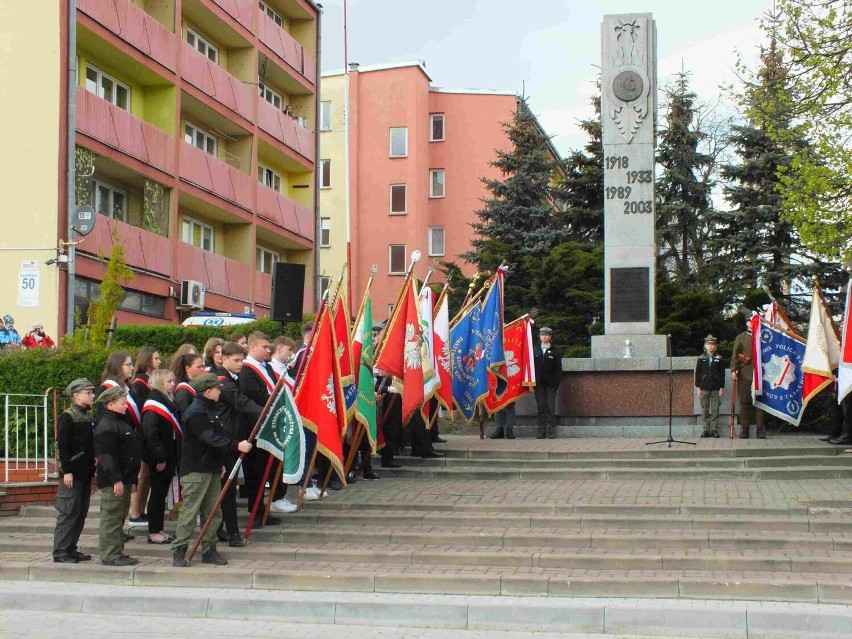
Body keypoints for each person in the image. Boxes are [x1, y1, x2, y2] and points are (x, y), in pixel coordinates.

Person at [171, 374, 252, 567]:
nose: (220, 391)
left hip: (211, 468)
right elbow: (209, 438)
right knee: (190, 512)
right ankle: (179, 549)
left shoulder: (210, 410)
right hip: (196, 470)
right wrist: (236, 446)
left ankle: (209, 549)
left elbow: (217, 437)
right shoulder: (196, 412)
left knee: (213, 512)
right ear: (208, 392)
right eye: (217, 388)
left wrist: (220, 462)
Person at [240, 331, 290, 517]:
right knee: (256, 471)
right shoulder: (247, 370)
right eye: (264, 347)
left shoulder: (266, 367)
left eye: (269, 347)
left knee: (265, 470)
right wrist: (275, 400)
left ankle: (263, 508)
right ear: (252, 347)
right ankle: (257, 510)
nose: (268, 350)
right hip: (256, 427)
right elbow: (255, 395)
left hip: (270, 423)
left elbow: (275, 387)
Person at [93, 384, 141, 566]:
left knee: (118, 517)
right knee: (111, 518)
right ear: (110, 405)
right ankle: (110, 554)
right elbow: (106, 457)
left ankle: (116, 551)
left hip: (125, 479)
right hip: (114, 481)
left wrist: (132, 479)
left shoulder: (119, 422)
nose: (125, 406)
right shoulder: (106, 426)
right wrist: (116, 480)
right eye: (122, 403)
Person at [52, 378, 96, 563]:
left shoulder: (87, 415)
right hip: (72, 473)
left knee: (80, 512)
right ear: (76, 395)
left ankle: (71, 548)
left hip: (84, 472)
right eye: (88, 392)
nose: (92, 395)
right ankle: (61, 551)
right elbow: (62, 446)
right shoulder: (68, 416)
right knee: (68, 512)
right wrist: (66, 471)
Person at [140, 369, 180, 545]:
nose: (173, 384)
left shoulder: (164, 400)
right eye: (170, 381)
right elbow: (150, 434)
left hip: (168, 455)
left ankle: (158, 528)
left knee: (161, 493)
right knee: (157, 495)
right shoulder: (153, 404)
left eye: (173, 381)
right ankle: (153, 531)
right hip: (159, 458)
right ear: (160, 382)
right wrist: (161, 458)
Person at [129, 346, 161, 526]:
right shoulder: (140, 383)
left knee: (147, 474)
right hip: (141, 435)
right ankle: (135, 512)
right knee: (142, 473)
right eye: (156, 359)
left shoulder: (149, 381)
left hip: (146, 434)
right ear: (147, 360)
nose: (159, 362)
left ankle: (141, 510)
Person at [731, 315, 766, 439]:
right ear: (746, 323)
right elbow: (735, 355)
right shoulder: (741, 337)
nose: (752, 322)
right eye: (750, 320)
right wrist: (734, 370)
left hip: (761, 374)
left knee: (760, 403)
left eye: (754, 320)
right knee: (745, 402)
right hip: (745, 373)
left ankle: (760, 430)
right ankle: (744, 429)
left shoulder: (764, 336)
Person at [533, 327, 561, 439]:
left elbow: (558, 370)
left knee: (550, 407)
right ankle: (541, 430)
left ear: (550, 336)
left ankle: (552, 430)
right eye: (542, 335)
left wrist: (555, 385)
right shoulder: (535, 350)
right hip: (538, 384)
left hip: (550, 385)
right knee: (541, 407)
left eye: (546, 335)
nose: (544, 336)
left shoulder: (555, 351)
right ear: (539, 336)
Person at [695, 334, 725, 438]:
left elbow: (722, 374)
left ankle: (713, 429)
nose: (711, 346)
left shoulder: (719, 358)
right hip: (704, 387)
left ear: (715, 346)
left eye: (713, 344)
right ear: (705, 345)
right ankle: (705, 429)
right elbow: (697, 374)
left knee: (715, 409)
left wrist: (722, 387)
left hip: (716, 387)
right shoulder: (701, 358)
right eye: (708, 344)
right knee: (705, 408)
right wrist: (698, 387)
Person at [171, 353, 206, 418]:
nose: (202, 369)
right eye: (199, 367)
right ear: (188, 369)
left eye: (203, 366)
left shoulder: (197, 385)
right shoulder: (183, 390)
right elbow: (185, 415)